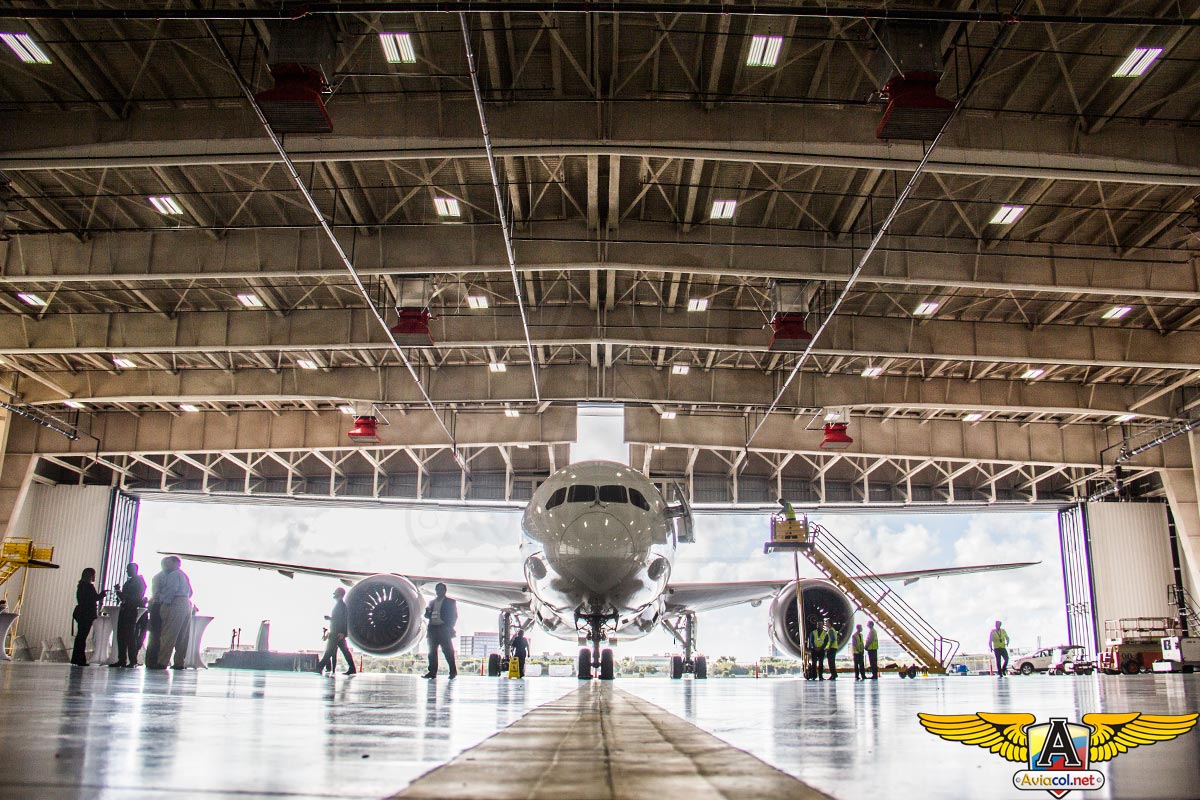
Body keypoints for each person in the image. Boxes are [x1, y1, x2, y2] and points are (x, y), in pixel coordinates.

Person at [148, 556, 193, 670]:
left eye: (168, 563)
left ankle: (162, 661)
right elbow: (191, 591)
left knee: (169, 634)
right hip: (186, 603)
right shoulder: (183, 575)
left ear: (176, 564)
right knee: (183, 636)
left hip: (175, 603)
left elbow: (171, 591)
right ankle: (179, 662)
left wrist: (164, 603)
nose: (166, 565)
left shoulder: (173, 575)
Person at [112, 563, 147, 668]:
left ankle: (132, 660)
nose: (127, 571)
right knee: (121, 635)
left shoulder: (137, 582)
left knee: (129, 636)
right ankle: (122, 659)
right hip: (125, 609)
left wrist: (119, 592)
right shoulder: (131, 581)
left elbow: (132, 597)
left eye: (129, 569)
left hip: (130, 610)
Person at [316, 587, 356, 676]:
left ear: (340, 594)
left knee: (329, 651)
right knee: (343, 651)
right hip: (337, 633)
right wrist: (330, 619)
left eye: (336, 593)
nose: (334, 594)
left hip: (337, 633)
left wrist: (343, 633)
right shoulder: (340, 605)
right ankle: (352, 668)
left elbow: (344, 620)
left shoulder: (341, 606)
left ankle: (319, 667)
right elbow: (339, 619)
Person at [421, 583, 458, 679]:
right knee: (431, 652)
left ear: (444, 591)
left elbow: (454, 616)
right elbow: (427, 616)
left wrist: (448, 626)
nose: (438, 592)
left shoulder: (450, 602)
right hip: (433, 629)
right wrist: (427, 612)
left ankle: (453, 672)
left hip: (443, 629)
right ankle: (432, 672)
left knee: (448, 652)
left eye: (441, 590)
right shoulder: (432, 602)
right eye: (437, 590)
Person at [70, 568, 103, 666]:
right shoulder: (88, 586)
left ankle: (76, 658)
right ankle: (80, 659)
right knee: (82, 637)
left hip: (81, 614)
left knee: (80, 636)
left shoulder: (81, 586)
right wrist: (102, 594)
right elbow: (94, 598)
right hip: (87, 614)